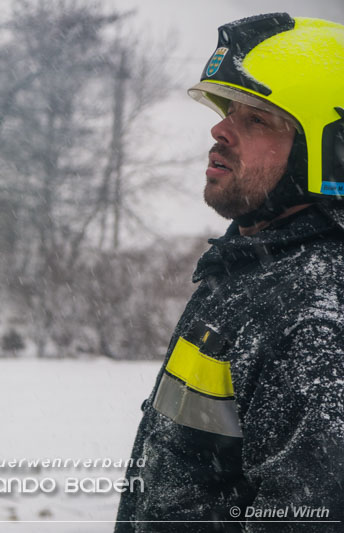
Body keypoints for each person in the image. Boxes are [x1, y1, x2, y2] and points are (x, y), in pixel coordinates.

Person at [115, 13, 344, 532]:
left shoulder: (316, 318)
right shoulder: (253, 270)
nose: (219, 129)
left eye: (257, 119)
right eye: (228, 112)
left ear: (331, 152)